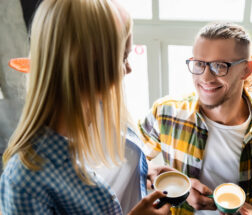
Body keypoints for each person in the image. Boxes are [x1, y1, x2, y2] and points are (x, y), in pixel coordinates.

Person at [0, 0, 171, 214]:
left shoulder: (100, 110)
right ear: (89, 66)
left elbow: (106, 174)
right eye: (123, 57)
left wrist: (141, 174)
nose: (128, 68)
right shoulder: (25, 182)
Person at [138, 23, 252, 215]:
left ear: (246, 69)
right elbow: (131, 164)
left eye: (219, 66)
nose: (206, 77)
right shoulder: (165, 112)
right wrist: (180, 186)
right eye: (199, 63)